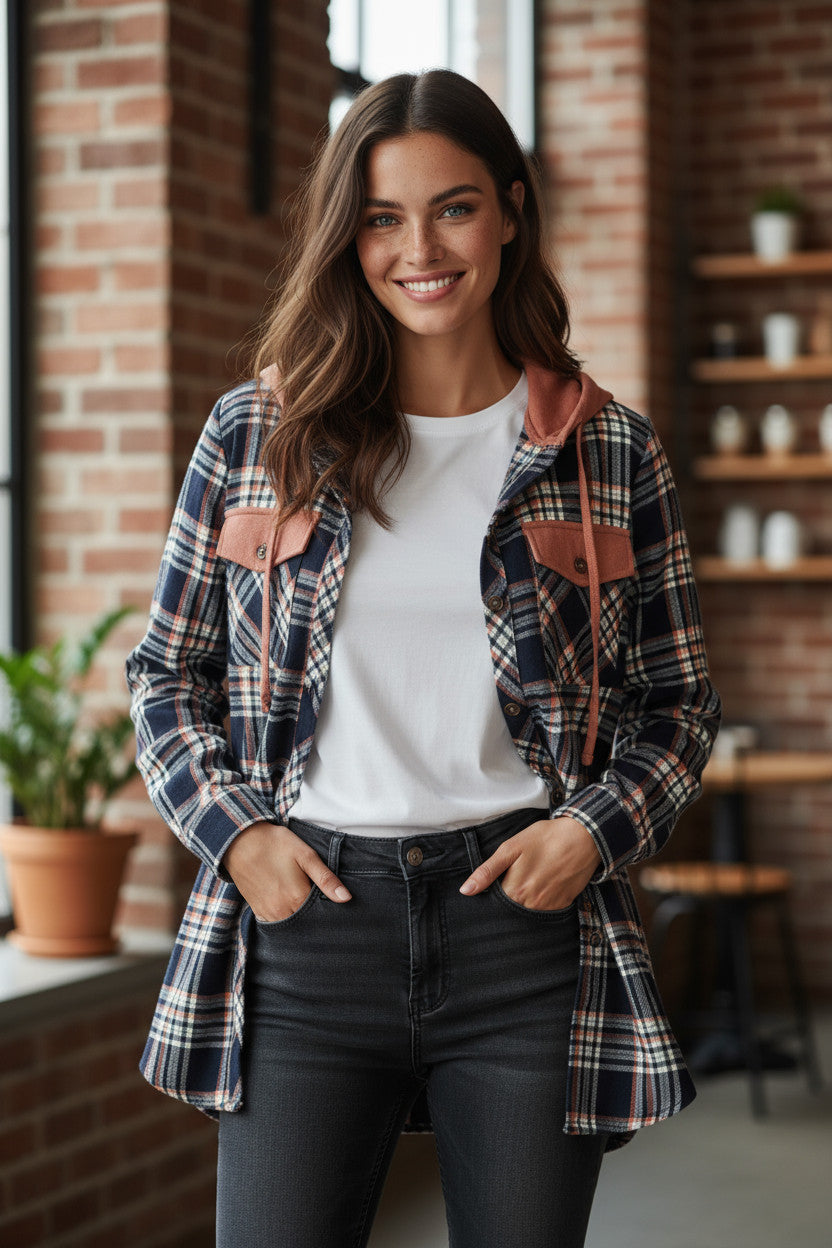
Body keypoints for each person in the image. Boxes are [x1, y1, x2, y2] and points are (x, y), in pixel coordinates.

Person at [126, 69, 721, 1248]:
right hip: (306, 932)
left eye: (451, 207)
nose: (419, 249)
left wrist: (588, 832)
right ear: (348, 239)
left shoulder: (607, 448)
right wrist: (238, 839)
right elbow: (165, 676)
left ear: (508, 210)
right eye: (383, 219)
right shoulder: (260, 434)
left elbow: (678, 701)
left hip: (525, 934)